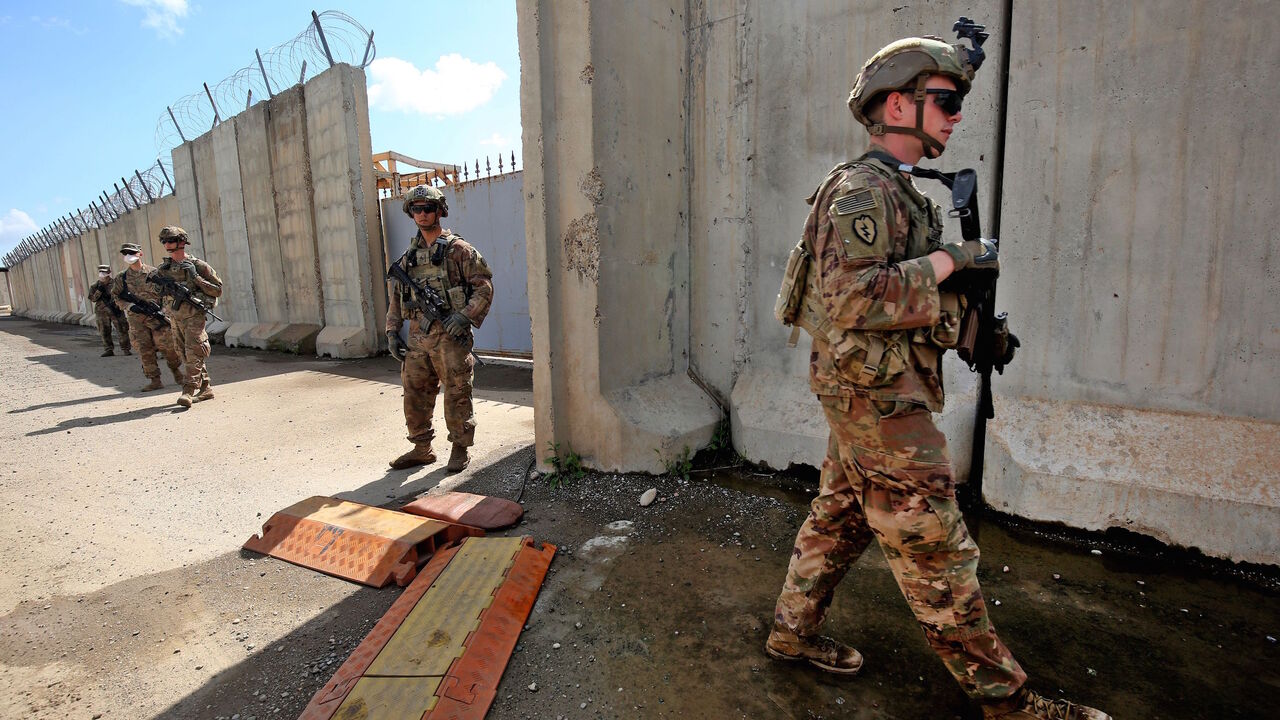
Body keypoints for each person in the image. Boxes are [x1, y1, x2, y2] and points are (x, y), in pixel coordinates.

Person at [765, 34, 1110, 720]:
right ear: (897, 105)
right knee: (935, 548)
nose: (955, 117)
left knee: (840, 517)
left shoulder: (907, 193)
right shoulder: (861, 190)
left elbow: (907, 308)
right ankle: (1007, 702)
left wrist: (975, 329)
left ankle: (790, 634)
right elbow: (856, 299)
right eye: (945, 101)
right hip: (877, 400)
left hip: (875, 390)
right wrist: (953, 261)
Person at [385, 185, 493, 473]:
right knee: (414, 392)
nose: (422, 214)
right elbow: (397, 295)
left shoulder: (459, 250)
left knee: (457, 391)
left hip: (450, 337)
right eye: (416, 209)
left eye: (428, 208)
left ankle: (459, 448)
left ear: (439, 211)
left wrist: (464, 317)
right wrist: (392, 331)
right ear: (411, 213)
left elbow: (483, 288)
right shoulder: (409, 256)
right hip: (418, 337)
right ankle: (422, 448)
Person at [152, 226, 222, 408]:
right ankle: (205, 388)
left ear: (182, 241)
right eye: (164, 241)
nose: (167, 244)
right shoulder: (164, 269)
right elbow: (156, 292)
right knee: (184, 353)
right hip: (174, 317)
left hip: (194, 316)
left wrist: (196, 277)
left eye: (171, 240)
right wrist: (163, 288)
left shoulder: (197, 265)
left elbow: (217, 290)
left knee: (194, 350)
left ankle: (188, 391)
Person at [111, 242, 184, 392]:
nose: (129, 256)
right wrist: (130, 306)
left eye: (132, 253)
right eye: (126, 254)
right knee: (145, 349)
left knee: (168, 346)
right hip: (136, 320)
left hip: (157, 317)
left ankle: (177, 372)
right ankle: (155, 380)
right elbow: (116, 297)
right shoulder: (122, 278)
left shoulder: (154, 273)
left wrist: (164, 309)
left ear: (140, 254)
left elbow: (167, 293)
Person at [87, 264, 130, 357]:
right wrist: (99, 290)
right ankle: (108, 349)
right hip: (102, 312)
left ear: (109, 273)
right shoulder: (95, 286)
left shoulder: (116, 283)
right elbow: (93, 299)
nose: (102, 274)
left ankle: (126, 349)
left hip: (116, 310)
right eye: (101, 272)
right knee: (104, 331)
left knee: (122, 329)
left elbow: (123, 294)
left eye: (104, 272)